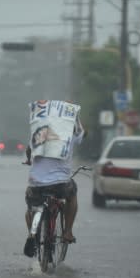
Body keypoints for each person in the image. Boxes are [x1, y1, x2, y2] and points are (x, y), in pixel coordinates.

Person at [23, 109, 86, 257]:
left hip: (36, 184)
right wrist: (76, 118)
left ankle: (32, 235)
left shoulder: (38, 134)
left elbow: (28, 151)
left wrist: (29, 161)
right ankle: (68, 232)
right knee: (72, 192)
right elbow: (82, 133)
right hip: (60, 184)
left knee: (31, 207)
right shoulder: (69, 134)